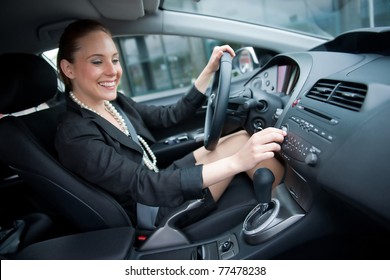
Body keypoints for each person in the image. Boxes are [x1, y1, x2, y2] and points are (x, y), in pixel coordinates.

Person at [55, 19, 287, 227]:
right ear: (68, 69)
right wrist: (237, 162)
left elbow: (168, 116)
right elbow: (142, 184)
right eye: (97, 62)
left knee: (241, 138)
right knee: (243, 149)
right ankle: (289, 214)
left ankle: (285, 202)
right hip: (152, 208)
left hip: (158, 179)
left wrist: (209, 71)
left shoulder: (113, 102)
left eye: (115, 60)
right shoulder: (74, 135)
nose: (112, 71)